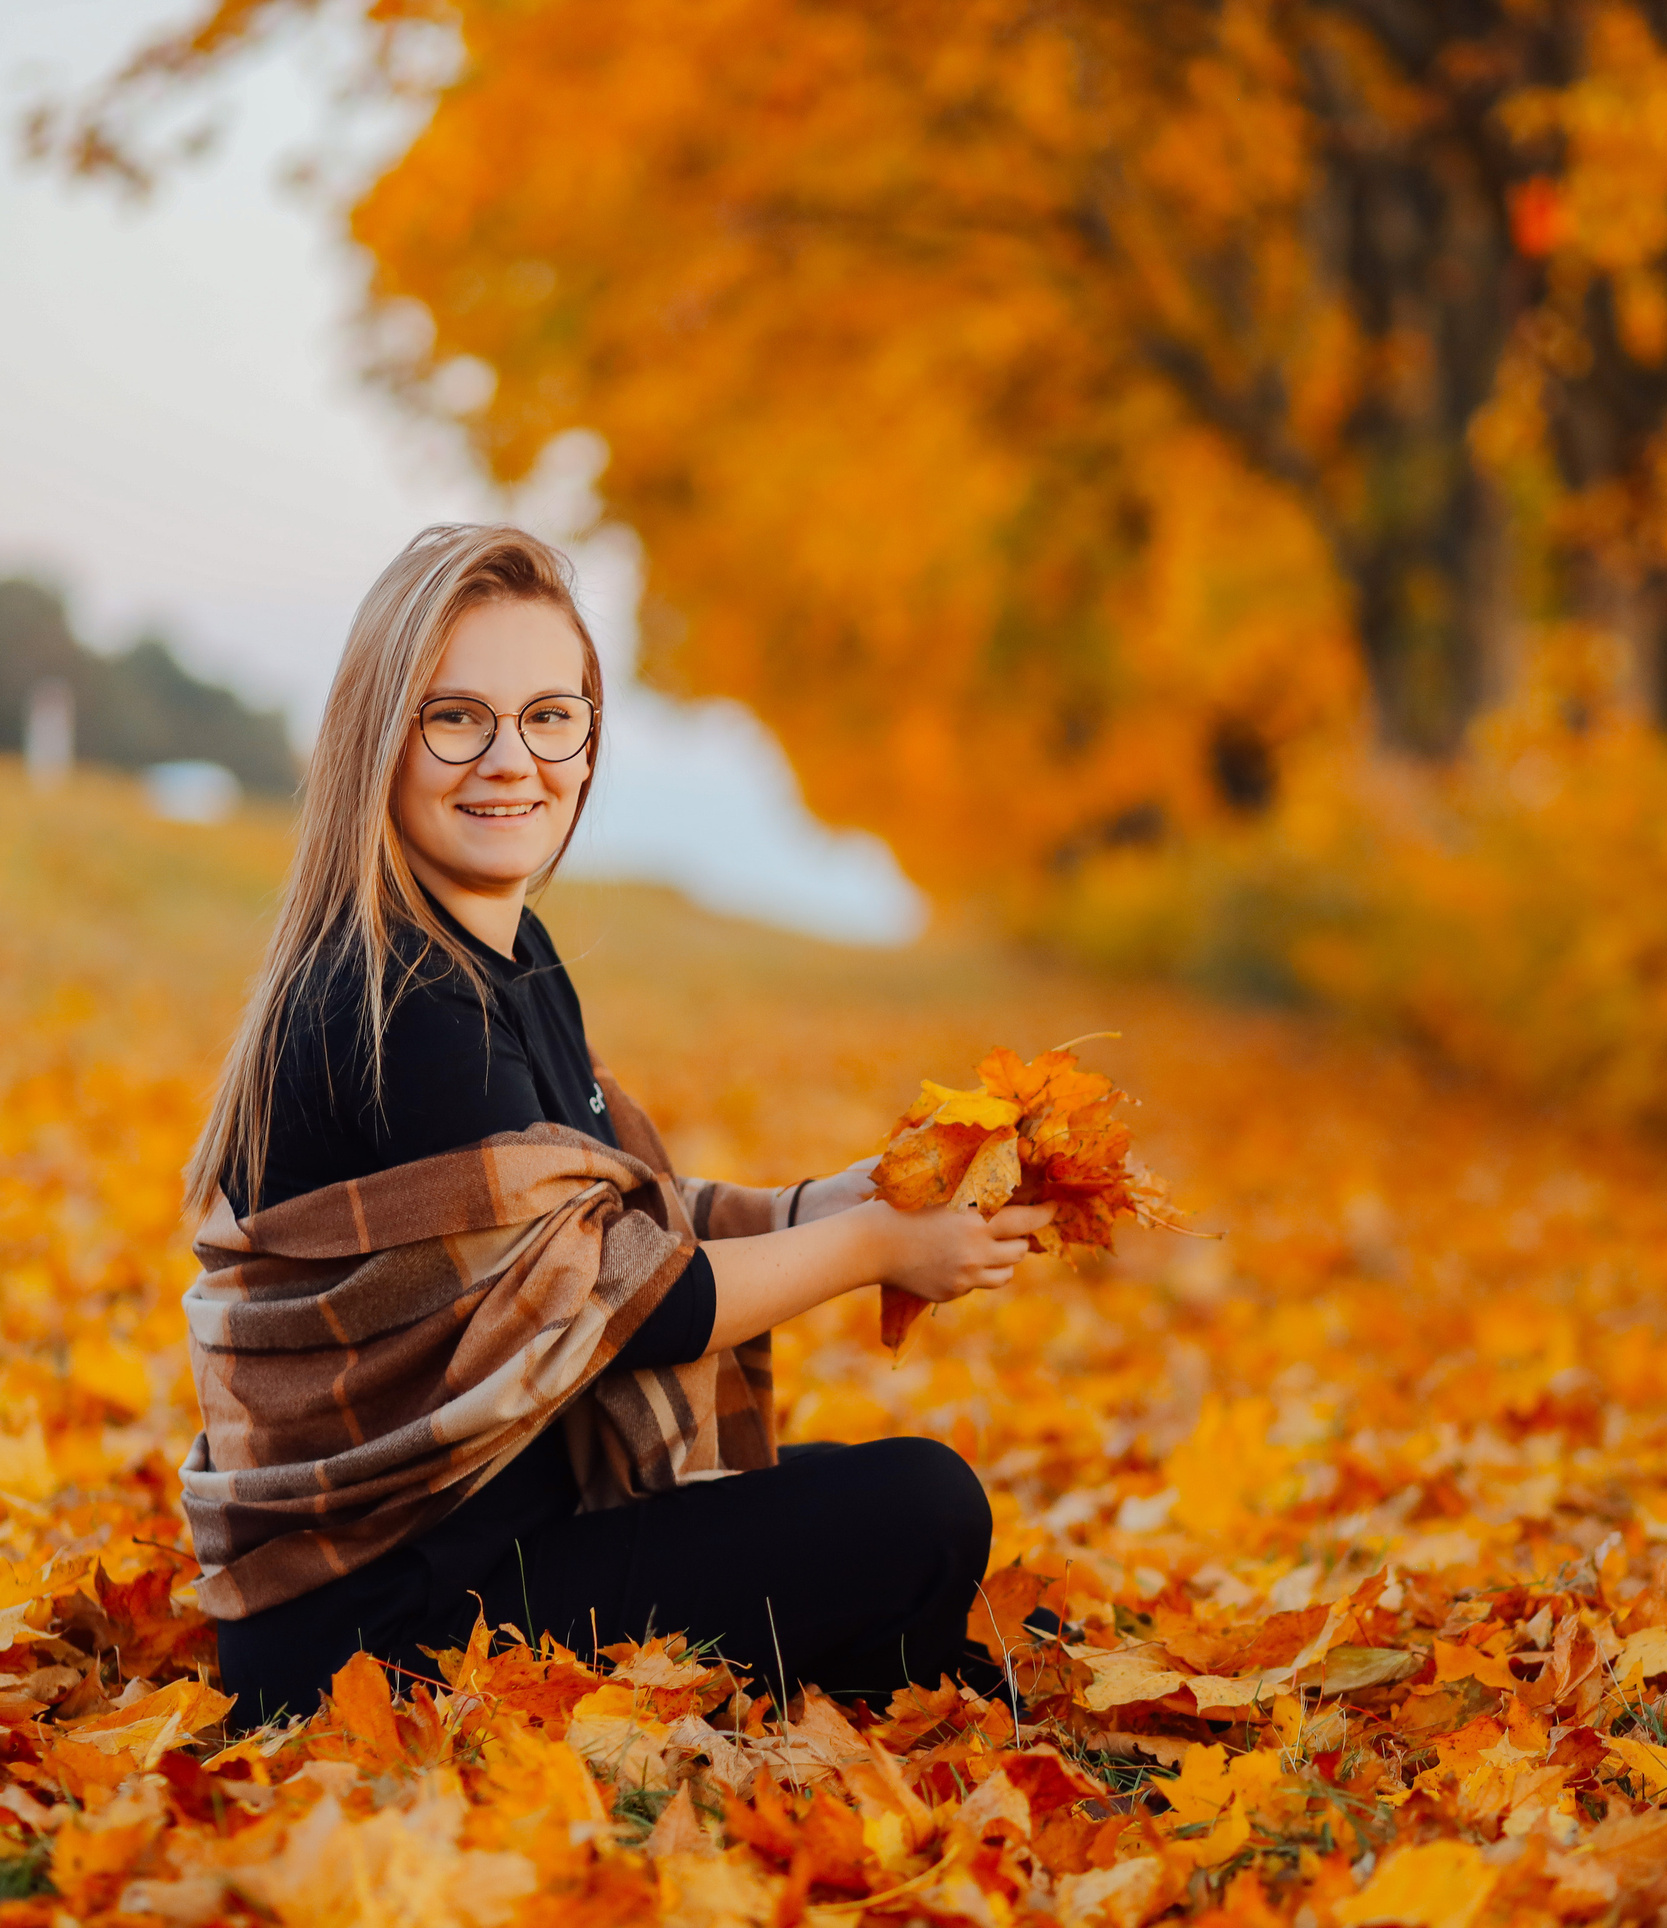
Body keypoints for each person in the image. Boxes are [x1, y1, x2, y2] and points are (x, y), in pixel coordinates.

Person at [178, 524, 1051, 1726]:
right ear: (378, 740)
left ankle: (882, 1665)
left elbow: (618, 1217)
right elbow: (627, 1300)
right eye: (455, 717)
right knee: (922, 1507)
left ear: (590, 741)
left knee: (886, 1509)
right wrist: (875, 1251)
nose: (510, 760)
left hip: (505, 1541)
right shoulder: (398, 1006)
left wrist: (844, 1198)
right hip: (382, 1636)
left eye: (550, 716)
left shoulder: (504, 956)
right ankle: (877, 1662)